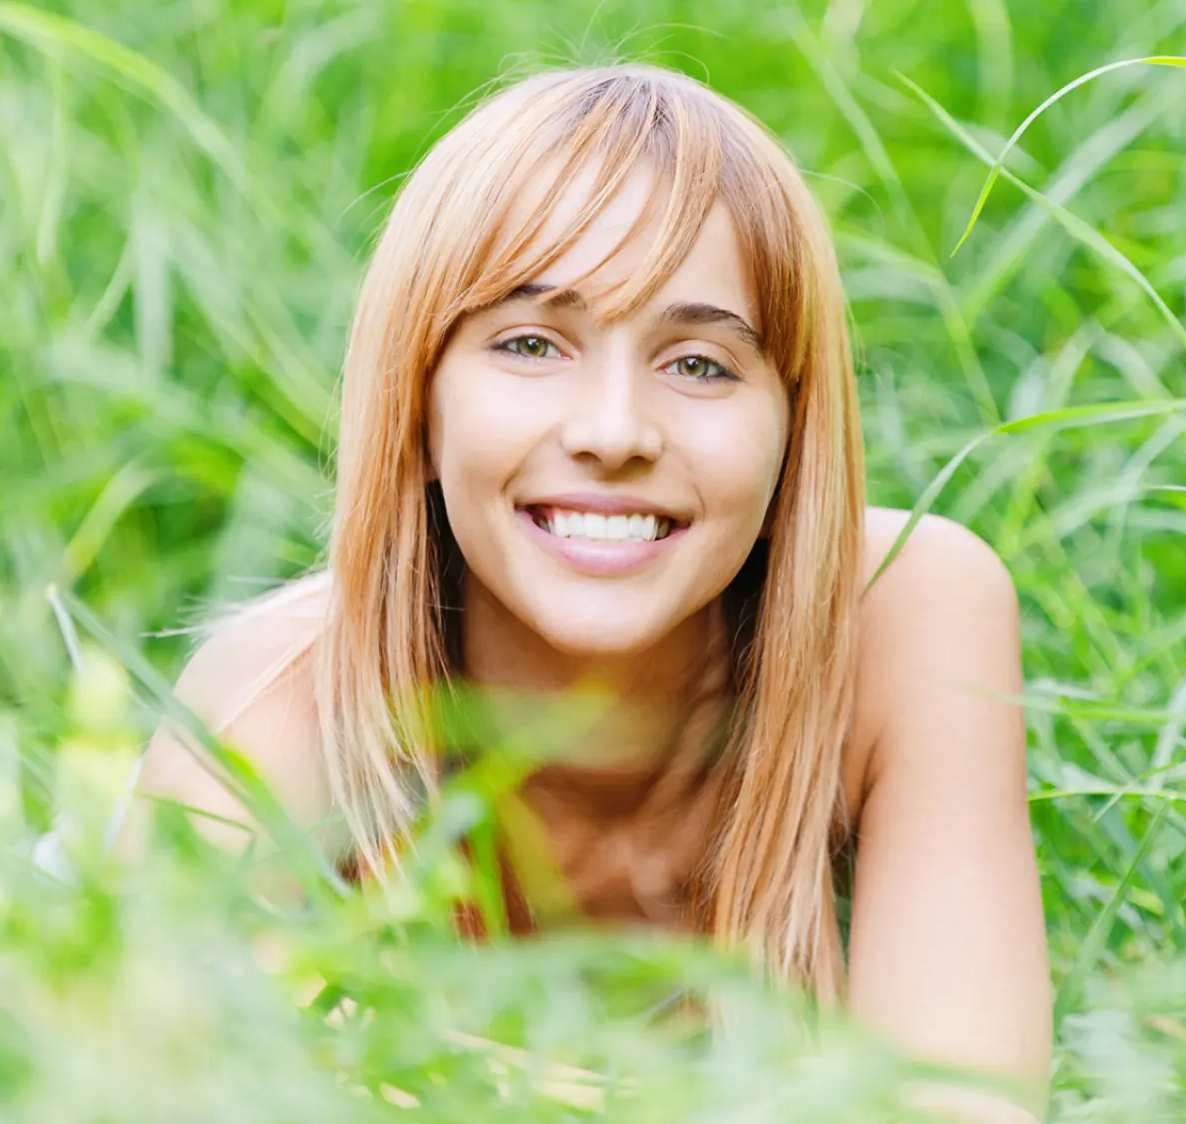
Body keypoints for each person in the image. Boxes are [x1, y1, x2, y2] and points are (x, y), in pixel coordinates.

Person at [116, 63, 1050, 1120]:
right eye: (530, 344)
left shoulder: (908, 612)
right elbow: (115, 1080)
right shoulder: (282, 700)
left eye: (698, 363)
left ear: (794, 429)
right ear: (415, 408)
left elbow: (962, 1105)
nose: (613, 431)